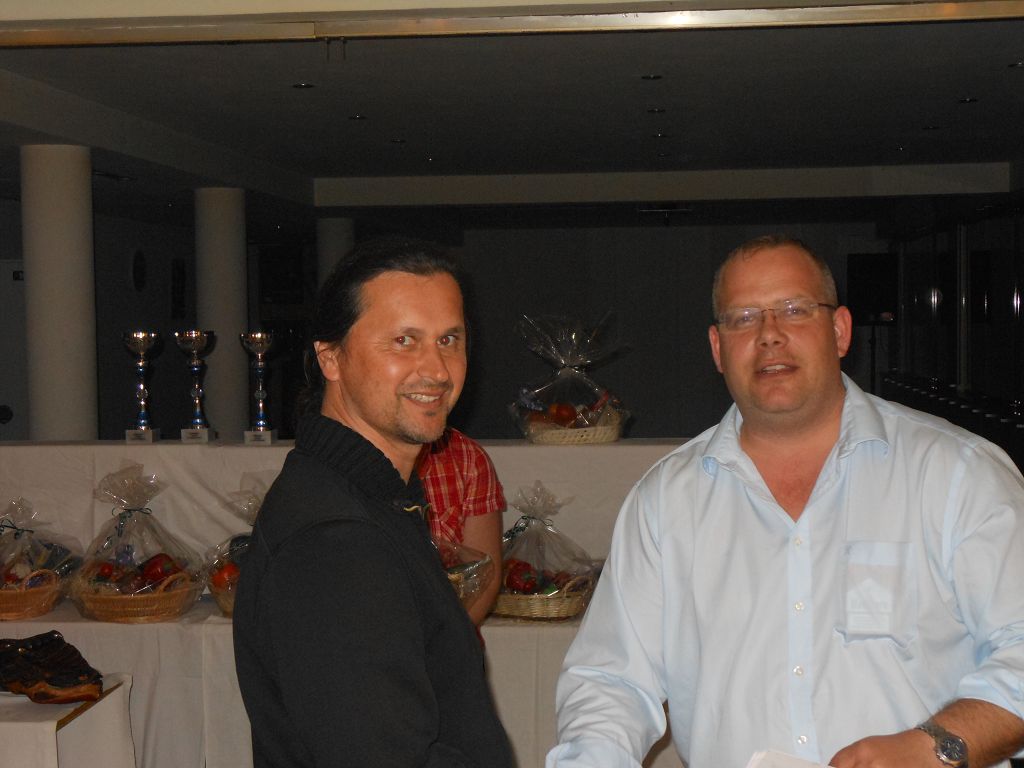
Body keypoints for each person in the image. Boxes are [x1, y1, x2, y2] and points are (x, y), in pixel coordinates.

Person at [547, 234, 1024, 768]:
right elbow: (610, 682)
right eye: (743, 318)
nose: (769, 335)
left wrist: (935, 747)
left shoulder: (957, 474)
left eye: (795, 310)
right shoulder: (665, 501)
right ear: (717, 348)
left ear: (839, 331)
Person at [233, 236, 512, 768]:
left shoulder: (369, 496)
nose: (438, 369)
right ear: (331, 358)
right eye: (404, 340)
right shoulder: (335, 543)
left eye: (449, 339)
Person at [418, 427, 506, 625]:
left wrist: (448, 638)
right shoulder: (355, 458)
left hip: (449, 630)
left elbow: (486, 579)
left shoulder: (467, 457)